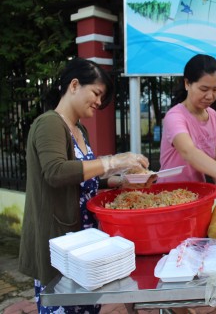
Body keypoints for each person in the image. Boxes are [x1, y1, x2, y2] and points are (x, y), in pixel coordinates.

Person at [18, 58, 150, 313]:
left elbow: (81, 176)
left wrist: (119, 180)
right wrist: (112, 161)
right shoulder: (49, 124)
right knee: (64, 304)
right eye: (97, 93)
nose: (99, 102)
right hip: (59, 240)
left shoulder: (79, 129)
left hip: (84, 240)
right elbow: (56, 172)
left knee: (87, 305)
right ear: (75, 85)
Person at [159, 54, 216, 204]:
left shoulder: (213, 116)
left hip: (196, 197)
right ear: (187, 83)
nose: (210, 96)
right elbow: (189, 152)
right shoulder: (174, 116)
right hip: (168, 198)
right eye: (204, 89)